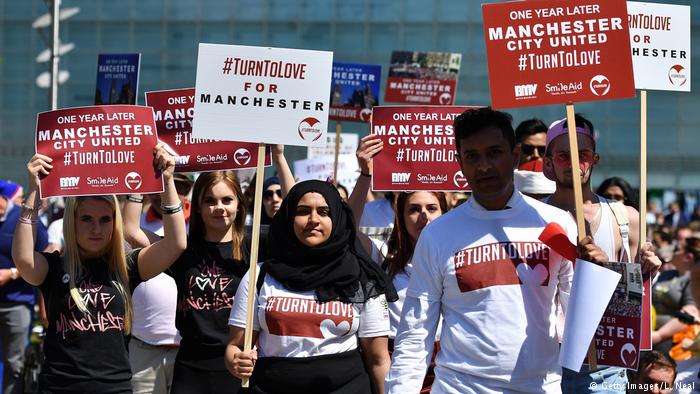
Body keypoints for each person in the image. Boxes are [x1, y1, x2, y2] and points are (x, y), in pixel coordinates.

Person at [385, 107, 603, 393]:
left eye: (494, 152)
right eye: (472, 156)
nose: (484, 166)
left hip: (538, 386)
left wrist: (595, 274)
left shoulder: (555, 223)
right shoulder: (437, 235)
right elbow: (415, 333)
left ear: (514, 155)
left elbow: (581, 322)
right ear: (459, 162)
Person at [12, 147, 187, 393]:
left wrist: (167, 180)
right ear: (72, 222)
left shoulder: (125, 266)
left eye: (105, 219)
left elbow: (176, 244)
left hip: (115, 388)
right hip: (59, 388)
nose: (97, 228)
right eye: (87, 219)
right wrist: (33, 190)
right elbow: (23, 258)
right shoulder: (54, 268)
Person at [226, 180, 397, 394]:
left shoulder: (362, 278)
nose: (313, 220)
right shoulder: (260, 275)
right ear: (289, 218)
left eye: (324, 212)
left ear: (336, 217)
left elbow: (378, 360)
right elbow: (235, 347)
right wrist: (236, 362)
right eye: (303, 211)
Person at [542, 115, 662, 392]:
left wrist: (648, 272)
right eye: (563, 155)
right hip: (544, 363)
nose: (574, 161)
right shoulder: (531, 218)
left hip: (603, 369)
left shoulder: (625, 217)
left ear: (595, 159)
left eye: (582, 154)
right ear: (548, 163)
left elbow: (633, 294)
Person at [124, 170, 249, 394]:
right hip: (190, 365)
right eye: (209, 201)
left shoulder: (254, 244)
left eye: (227, 200)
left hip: (237, 364)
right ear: (197, 207)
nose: (219, 207)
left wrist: (278, 157)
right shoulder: (181, 249)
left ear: (239, 204)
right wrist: (139, 176)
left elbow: (294, 225)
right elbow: (131, 230)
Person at [349, 135, 447, 393]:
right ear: (400, 216)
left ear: (445, 212)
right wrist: (365, 175)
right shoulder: (385, 255)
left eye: (432, 208)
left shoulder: (458, 256)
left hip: (448, 361)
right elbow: (347, 229)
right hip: (396, 359)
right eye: (414, 209)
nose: (424, 216)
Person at [125, 173, 194, 394]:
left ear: (189, 190)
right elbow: (127, 230)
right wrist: (137, 175)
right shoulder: (138, 220)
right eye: (158, 185)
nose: (165, 191)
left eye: (179, 186)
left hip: (189, 348)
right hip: (144, 345)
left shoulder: (203, 224)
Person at [0, 180, 49, 394]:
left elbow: (44, 255)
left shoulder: (22, 220)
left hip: (17, 302)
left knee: (15, 363)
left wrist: (12, 273)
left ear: (4, 198)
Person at [652, 237, 699, 349]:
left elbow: (689, 314)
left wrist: (658, 336)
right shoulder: (666, 274)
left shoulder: (693, 280)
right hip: (649, 331)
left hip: (671, 340)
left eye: (677, 249)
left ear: (688, 257)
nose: (673, 252)